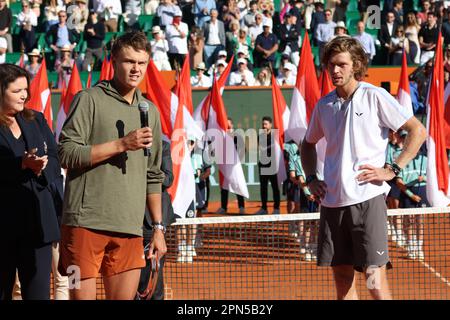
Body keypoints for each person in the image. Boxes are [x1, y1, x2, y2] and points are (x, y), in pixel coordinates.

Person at [300, 36, 426, 300]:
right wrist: (311, 178)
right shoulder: (324, 106)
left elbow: (417, 131)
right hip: (332, 204)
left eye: (341, 64)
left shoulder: (374, 96)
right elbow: (307, 145)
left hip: (367, 201)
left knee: (374, 281)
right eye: (330, 65)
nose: (335, 70)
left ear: (355, 64)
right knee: (343, 281)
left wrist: (393, 169)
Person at [58, 31, 166, 300]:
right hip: (84, 224)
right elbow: (66, 153)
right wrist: (121, 144)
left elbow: (153, 174)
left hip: (130, 227)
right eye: (129, 61)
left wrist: (158, 228)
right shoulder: (88, 99)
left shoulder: (149, 111)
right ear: (114, 61)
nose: (135, 69)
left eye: (141, 63)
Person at [0, 63, 63, 300]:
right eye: (17, 91)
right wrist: (21, 164)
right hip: (3, 226)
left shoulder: (36, 119)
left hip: (38, 225)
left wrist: (42, 167)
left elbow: (55, 158)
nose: (24, 95)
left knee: (38, 294)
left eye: (25, 89)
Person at [137, 140, 175, 299]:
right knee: (132, 271)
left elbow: (168, 179)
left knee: (154, 270)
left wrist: (147, 174)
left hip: (155, 221)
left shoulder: (163, 146)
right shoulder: (131, 145)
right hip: (132, 217)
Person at [215, 118, 245, 214]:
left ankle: (241, 207)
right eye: (225, 125)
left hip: (235, 166)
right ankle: (224, 207)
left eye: (228, 125)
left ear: (232, 125)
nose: (227, 127)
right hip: (225, 165)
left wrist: (236, 160)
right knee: (224, 186)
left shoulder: (237, 136)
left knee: (237, 184)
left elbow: (243, 150)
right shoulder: (222, 137)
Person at [256, 116, 281, 215]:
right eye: (263, 124)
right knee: (263, 187)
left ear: (270, 125)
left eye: (266, 124)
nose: (264, 126)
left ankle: (276, 208)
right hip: (263, 165)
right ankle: (264, 208)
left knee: (275, 187)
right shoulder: (260, 136)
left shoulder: (275, 136)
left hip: (273, 166)